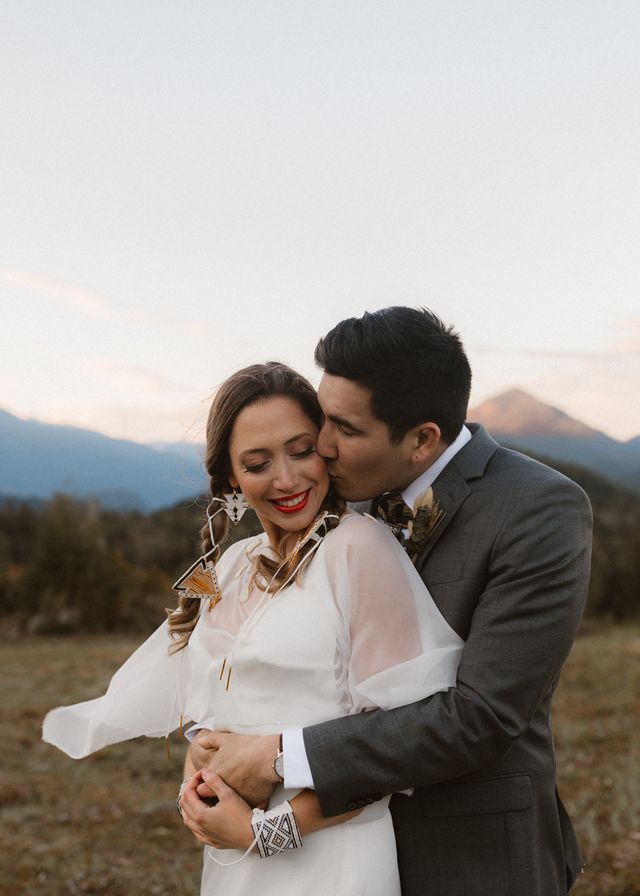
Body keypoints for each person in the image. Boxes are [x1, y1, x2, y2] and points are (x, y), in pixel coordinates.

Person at [189, 307, 593, 896]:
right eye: (324, 420)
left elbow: (482, 717)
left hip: (470, 856)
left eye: (345, 430)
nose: (320, 448)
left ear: (422, 438)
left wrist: (278, 757)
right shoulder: (337, 498)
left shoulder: (538, 511)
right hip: (328, 848)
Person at [43, 361, 464, 895]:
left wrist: (267, 832)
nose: (287, 479)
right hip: (232, 861)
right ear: (231, 479)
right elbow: (202, 706)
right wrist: (195, 782)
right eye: (259, 463)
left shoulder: (360, 549)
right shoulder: (230, 565)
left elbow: (397, 741)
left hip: (331, 859)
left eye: (301, 450)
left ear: (326, 448)